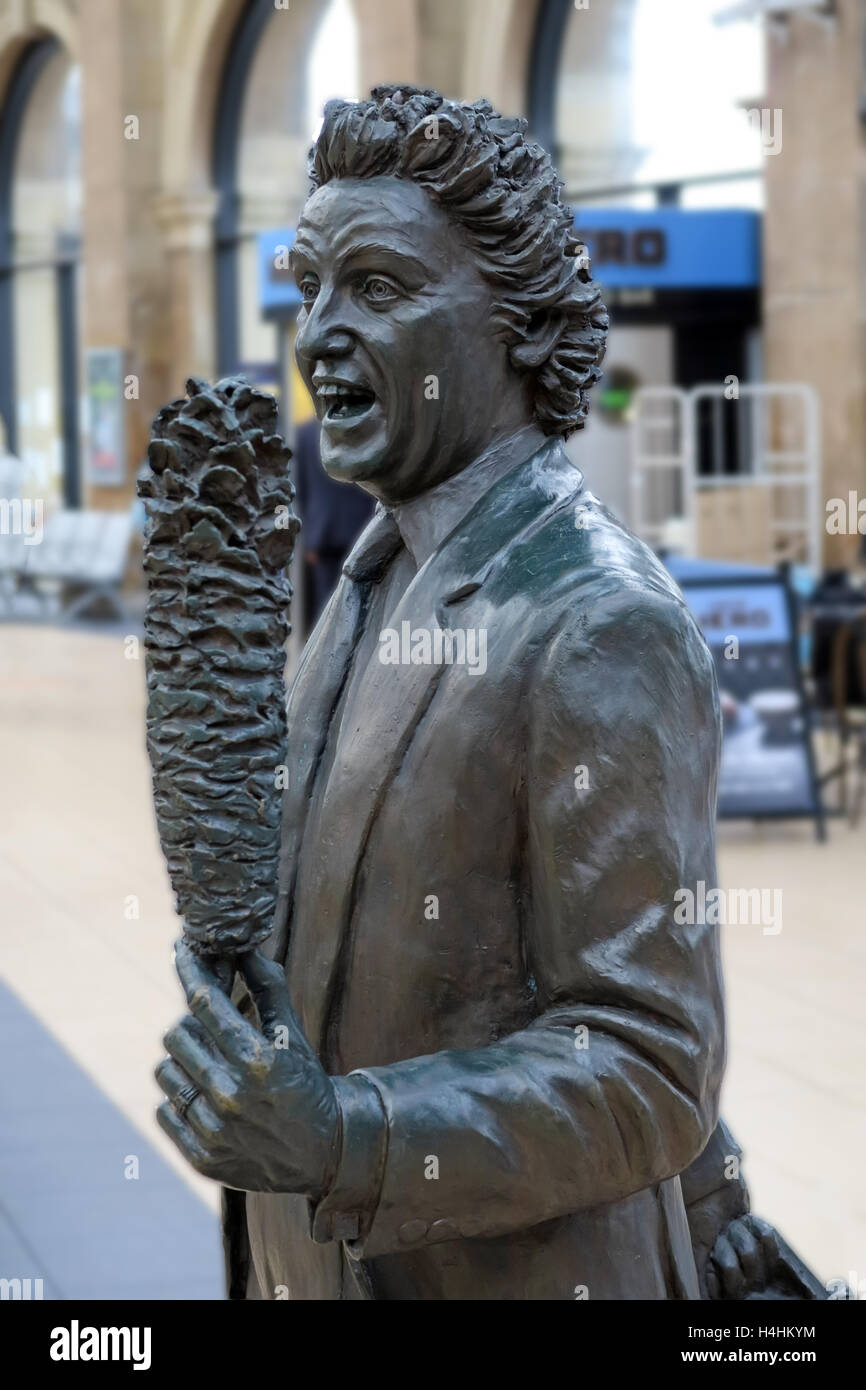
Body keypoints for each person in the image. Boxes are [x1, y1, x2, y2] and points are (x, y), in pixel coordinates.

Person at [154, 87, 809, 1301]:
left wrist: (347, 1134)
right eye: (313, 292)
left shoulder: (595, 619)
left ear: (513, 325)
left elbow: (651, 1063)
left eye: (380, 289)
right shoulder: (369, 578)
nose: (318, 335)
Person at [293, 415, 374, 630]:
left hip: (324, 534)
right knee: (361, 601)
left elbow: (299, 490)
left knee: (327, 608)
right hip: (359, 528)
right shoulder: (362, 426)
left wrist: (309, 536)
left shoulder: (304, 433)